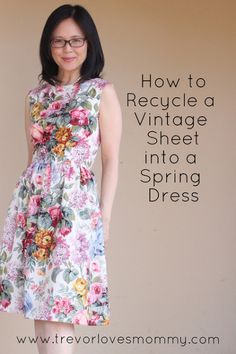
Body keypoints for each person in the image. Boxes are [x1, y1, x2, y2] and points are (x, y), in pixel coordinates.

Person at [0, 4, 122, 354]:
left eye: (76, 41)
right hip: (33, 205)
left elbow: (111, 160)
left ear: (89, 44)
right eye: (58, 41)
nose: (68, 49)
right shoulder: (35, 97)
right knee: (39, 299)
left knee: (60, 298)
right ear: (48, 46)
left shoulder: (101, 92)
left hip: (74, 208)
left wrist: (105, 216)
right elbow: (33, 159)